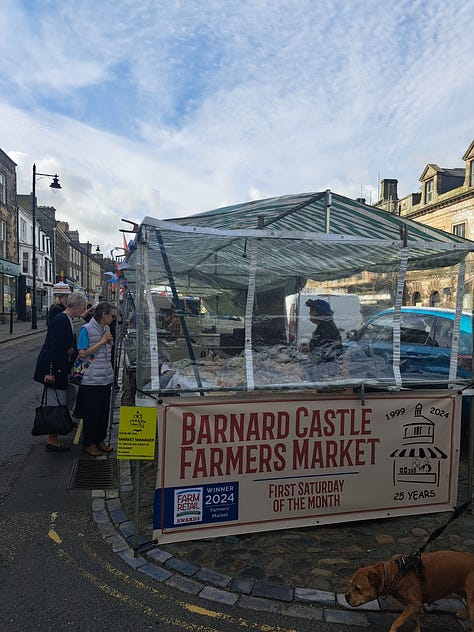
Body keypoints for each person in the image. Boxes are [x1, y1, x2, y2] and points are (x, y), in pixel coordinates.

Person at [33, 292, 87, 451]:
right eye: (82, 307)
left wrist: (69, 350)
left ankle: (62, 421)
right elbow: (52, 348)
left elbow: (62, 344)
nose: (82, 311)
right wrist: (50, 372)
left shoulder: (67, 319)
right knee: (55, 404)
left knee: (69, 395)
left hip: (60, 368)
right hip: (53, 370)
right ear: (76, 306)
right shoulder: (61, 320)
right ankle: (52, 439)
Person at [76, 301, 116, 457]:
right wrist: (101, 342)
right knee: (91, 414)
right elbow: (83, 353)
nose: (113, 318)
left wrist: (109, 343)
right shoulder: (86, 329)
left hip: (105, 378)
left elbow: (106, 351)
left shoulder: (106, 328)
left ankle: (100, 440)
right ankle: (88, 443)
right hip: (92, 380)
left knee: (102, 413)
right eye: (112, 315)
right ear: (103, 315)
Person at [306, 298, 343, 364]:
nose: (309, 313)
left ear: (319, 313)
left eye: (312, 310)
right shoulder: (325, 328)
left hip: (325, 369)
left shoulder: (326, 330)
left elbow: (323, 353)